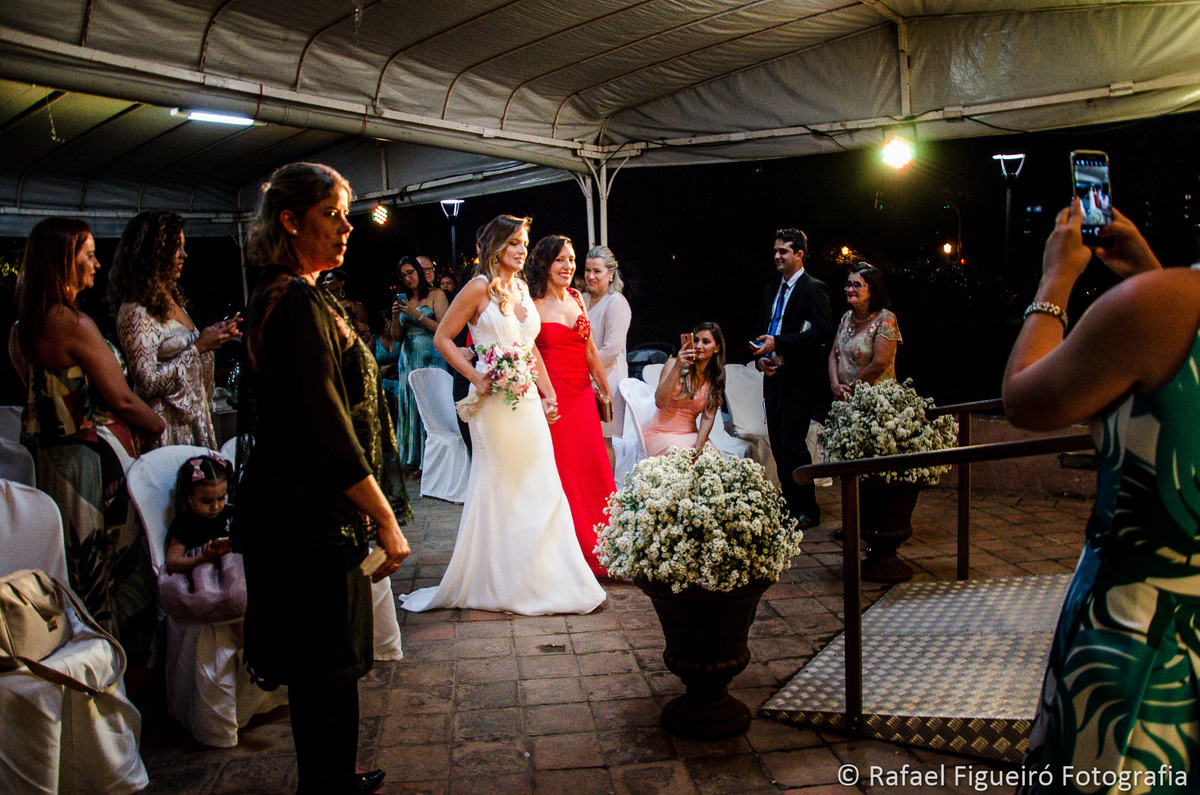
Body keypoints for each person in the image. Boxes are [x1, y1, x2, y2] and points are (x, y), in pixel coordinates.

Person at [1003, 199, 1200, 790]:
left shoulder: (1162, 306)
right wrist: (1151, 277)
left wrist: (1056, 278)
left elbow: (1025, 400)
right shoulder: (1166, 302)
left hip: (1144, 636)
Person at [233, 162, 410, 795]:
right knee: (327, 666)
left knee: (320, 670)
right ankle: (328, 786)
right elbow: (325, 425)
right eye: (331, 214)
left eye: (346, 214)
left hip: (293, 511)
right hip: (308, 518)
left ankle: (329, 778)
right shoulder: (295, 302)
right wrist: (385, 518)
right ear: (289, 220)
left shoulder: (281, 291)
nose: (345, 227)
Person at [401, 214, 605, 615]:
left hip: (527, 402)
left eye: (524, 243)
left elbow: (530, 349)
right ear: (495, 246)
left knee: (542, 484)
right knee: (501, 486)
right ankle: (500, 579)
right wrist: (476, 376)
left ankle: (545, 576)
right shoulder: (478, 287)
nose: (521, 250)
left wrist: (549, 394)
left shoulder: (523, 289)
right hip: (493, 406)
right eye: (514, 242)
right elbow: (443, 337)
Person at [7, 217, 165, 662]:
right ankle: (121, 665)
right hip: (89, 463)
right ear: (62, 263)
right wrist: (159, 427)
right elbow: (122, 398)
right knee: (112, 568)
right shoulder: (73, 323)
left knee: (71, 564)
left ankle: (83, 661)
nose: (97, 264)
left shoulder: (21, 329)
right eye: (89, 256)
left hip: (47, 463)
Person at [106, 209, 241, 449]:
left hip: (193, 425)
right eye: (175, 247)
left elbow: (189, 354)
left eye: (183, 246)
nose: (184, 254)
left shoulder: (170, 301)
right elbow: (146, 383)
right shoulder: (137, 310)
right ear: (151, 252)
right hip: (167, 434)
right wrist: (199, 347)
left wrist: (212, 336)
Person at [527, 234, 615, 577]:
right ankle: (571, 553)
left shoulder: (578, 298)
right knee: (564, 473)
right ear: (545, 264)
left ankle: (606, 547)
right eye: (560, 260)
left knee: (593, 467)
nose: (568, 266)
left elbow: (591, 350)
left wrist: (604, 389)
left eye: (571, 260)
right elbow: (529, 356)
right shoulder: (532, 304)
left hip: (582, 397)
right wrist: (545, 396)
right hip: (553, 398)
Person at [752, 227, 832, 530]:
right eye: (775, 250)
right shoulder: (771, 290)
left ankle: (807, 509)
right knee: (778, 444)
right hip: (773, 377)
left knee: (794, 445)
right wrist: (760, 359)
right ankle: (789, 504)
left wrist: (780, 343)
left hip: (799, 378)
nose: (777, 256)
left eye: (783, 251)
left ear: (799, 254)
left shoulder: (814, 288)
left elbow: (821, 332)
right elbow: (762, 328)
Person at [389, 255, 449, 472]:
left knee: (430, 408)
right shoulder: (403, 300)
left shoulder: (436, 294)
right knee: (411, 407)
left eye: (410, 272)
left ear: (419, 272)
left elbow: (443, 329)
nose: (408, 278)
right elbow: (396, 336)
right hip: (408, 359)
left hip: (431, 358)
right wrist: (396, 316)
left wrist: (415, 314)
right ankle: (414, 459)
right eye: (403, 275)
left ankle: (432, 462)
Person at [643, 322, 726, 458]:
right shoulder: (673, 364)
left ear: (716, 348)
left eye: (706, 342)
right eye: (696, 340)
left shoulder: (715, 377)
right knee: (682, 455)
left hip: (691, 434)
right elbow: (660, 402)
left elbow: (708, 416)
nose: (698, 346)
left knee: (714, 459)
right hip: (661, 433)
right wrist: (677, 366)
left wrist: (700, 443)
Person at [583, 245, 631, 464]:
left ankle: (607, 486)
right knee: (584, 440)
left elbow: (611, 349)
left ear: (611, 273)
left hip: (607, 380)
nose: (590, 276)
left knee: (603, 442)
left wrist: (583, 370)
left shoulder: (616, 302)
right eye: (587, 270)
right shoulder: (582, 299)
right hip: (583, 378)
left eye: (597, 271)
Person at [827, 262, 902, 401]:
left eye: (857, 285)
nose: (850, 289)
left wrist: (850, 388)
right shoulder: (847, 317)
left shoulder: (885, 318)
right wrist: (835, 385)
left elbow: (879, 364)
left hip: (875, 402)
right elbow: (833, 355)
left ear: (872, 289)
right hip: (844, 399)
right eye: (848, 285)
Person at [321, 268, 371, 340]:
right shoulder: (323, 305)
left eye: (329, 279)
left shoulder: (355, 306)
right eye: (324, 280)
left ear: (341, 283)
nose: (324, 283)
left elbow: (365, 333)